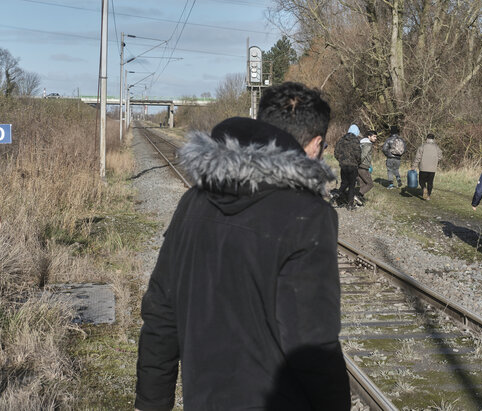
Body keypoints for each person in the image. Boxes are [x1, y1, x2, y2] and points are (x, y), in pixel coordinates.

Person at [135, 82, 351, 410]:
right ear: (315, 144)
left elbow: (161, 315)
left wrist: (150, 404)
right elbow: (313, 346)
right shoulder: (309, 215)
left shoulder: (193, 202)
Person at [333, 124, 362, 210]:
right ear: (356, 132)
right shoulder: (356, 141)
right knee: (352, 185)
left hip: (343, 166)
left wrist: (341, 160)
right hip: (353, 166)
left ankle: (337, 194)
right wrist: (358, 162)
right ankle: (350, 205)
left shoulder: (341, 140)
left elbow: (336, 153)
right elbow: (358, 155)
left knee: (344, 183)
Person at [411, 133, 442, 201]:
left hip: (423, 167)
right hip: (432, 169)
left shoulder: (422, 146)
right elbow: (440, 156)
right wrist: (435, 161)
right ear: (433, 139)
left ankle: (424, 188)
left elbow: (418, 158)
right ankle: (428, 196)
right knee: (430, 183)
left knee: (421, 181)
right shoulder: (437, 147)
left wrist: (414, 166)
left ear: (427, 139)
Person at [356, 129, 377, 204]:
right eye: (374, 136)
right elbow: (363, 155)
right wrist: (359, 163)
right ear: (369, 136)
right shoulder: (368, 144)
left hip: (359, 167)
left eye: (376, 137)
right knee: (370, 184)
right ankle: (358, 196)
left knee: (363, 185)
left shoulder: (361, 143)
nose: (375, 138)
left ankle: (359, 202)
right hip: (363, 167)